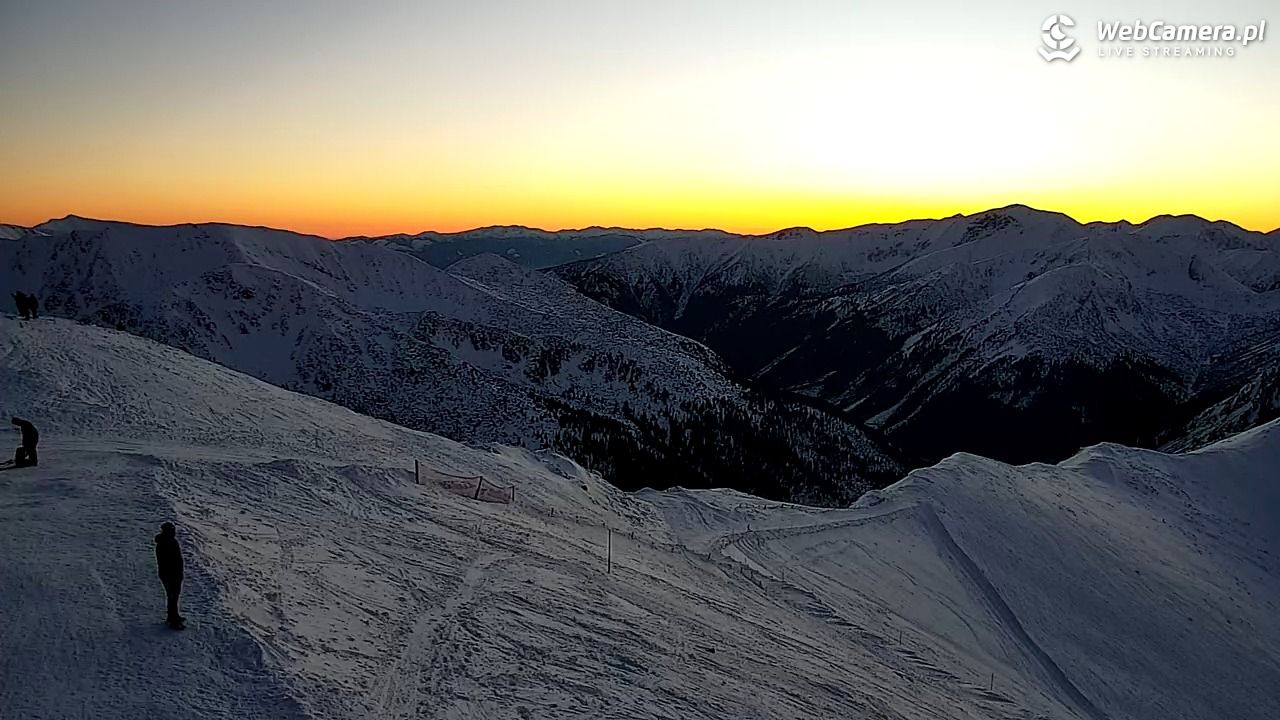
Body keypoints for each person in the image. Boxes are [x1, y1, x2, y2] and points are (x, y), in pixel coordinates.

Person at [155, 522, 186, 629]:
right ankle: (173, 620)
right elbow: (168, 561)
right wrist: (175, 572)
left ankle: (173, 616)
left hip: (174, 573)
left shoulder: (170, 541)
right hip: (170, 574)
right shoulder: (165, 543)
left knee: (174, 596)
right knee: (172, 596)